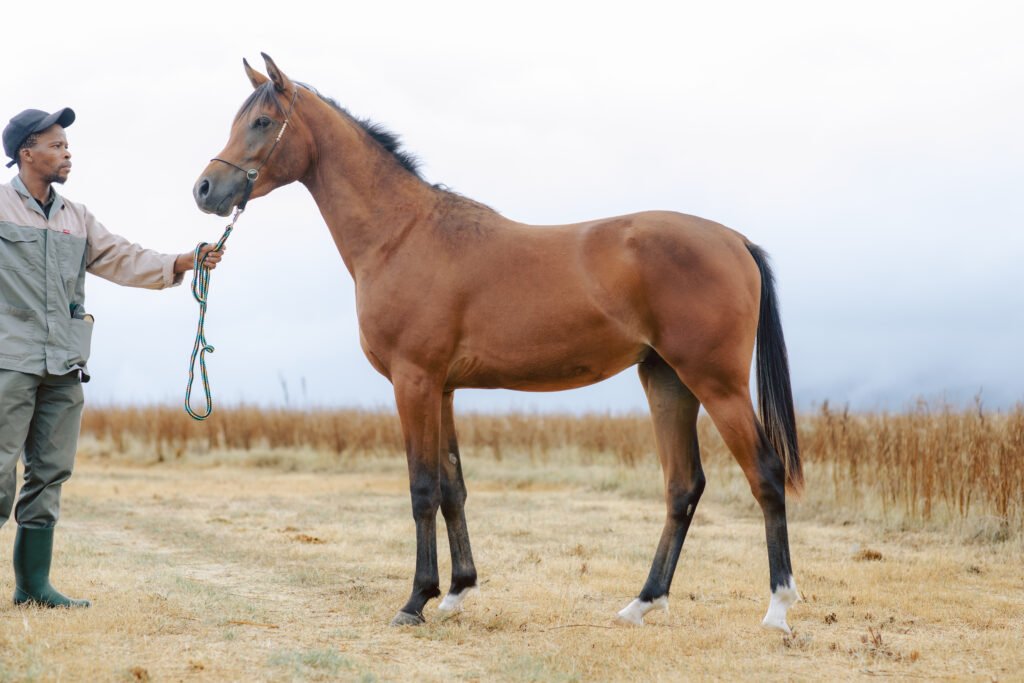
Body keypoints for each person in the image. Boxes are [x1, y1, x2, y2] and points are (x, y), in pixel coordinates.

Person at [0, 107, 223, 608]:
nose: (67, 152)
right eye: (56, 145)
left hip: (64, 365)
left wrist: (183, 261)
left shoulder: (75, 217)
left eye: (67, 145)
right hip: (6, 363)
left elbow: (121, 256)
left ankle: (33, 588)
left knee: (50, 474)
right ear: (25, 153)